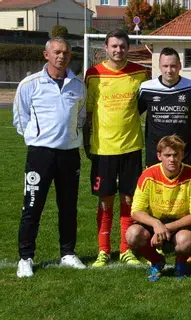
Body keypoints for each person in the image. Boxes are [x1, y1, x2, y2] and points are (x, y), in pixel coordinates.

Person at [13, 37, 87, 277]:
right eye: (56, 52)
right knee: (32, 206)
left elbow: (81, 116)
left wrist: (71, 136)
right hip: (40, 155)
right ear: (46, 55)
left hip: (69, 155)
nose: (61, 56)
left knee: (68, 207)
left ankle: (67, 253)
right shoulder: (29, 84)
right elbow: (20, 118)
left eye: (65, 53)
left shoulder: (77, 85)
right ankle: (25, 257)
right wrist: (37, 139)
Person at [84, 29, 150, 267]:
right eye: (114, 46)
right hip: (103, 149)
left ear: (128, 48)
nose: (118, 50)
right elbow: (89, 111)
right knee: (105, 201)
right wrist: (87, 141)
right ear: (105, 47)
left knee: (129, 200)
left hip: (131, 147)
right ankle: (103, 250)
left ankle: (125, 250)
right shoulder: (93, 75)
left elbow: (142, 105)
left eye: (122, 46)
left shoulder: (140, 73)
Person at [126, 135, 191, 281]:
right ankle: (156, 260)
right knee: (132, 234)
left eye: (176, 155)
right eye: (167, 155)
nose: (172, 159)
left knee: (185, 240)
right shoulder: (148, 175)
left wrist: (165, 227)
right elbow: (136, 211)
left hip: (182, 223)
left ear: (182, 155)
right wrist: (156, 224)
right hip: (156, 221)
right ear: (159, 156)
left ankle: (181, 264)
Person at [138, 47, 191, 167]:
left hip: (184, 155)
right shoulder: (147, 88)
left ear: (180, 66)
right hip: (156, 156)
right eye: (165, 66)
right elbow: (134, 114)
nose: (169, 70)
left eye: (173, 66)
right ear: (159, 66)